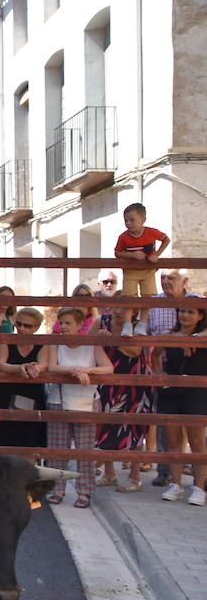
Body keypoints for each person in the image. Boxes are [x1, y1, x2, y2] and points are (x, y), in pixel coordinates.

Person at [45, 307, 114, 508]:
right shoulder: (56, 344)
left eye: (68, 323)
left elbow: (108, 368)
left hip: (87, 399)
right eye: (61, 322)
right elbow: (52, 367)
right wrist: (74, 371)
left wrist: (88, 370)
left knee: (85, 450)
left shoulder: (91, 345)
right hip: (59, 399)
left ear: (79, 325)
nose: (64, 327)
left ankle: (85, 491)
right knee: (58, 448)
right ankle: (57, 489)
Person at [146, 269, 200, 486]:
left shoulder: (199, 302)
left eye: (171, 278)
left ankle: (199, 481)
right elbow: (149, 339)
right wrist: (158, 374)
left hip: (197, 376)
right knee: (167, 430)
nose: (166, 282)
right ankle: (165, 472)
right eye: (162, 278)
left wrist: (192, 338)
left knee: (196, 432)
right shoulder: (153, 304)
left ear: (185, 281)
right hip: (169, 371)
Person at [96, 302, 156, 492]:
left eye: (127, 307)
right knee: (106, 424)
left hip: (135, 382)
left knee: (135, 428)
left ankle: (135, 476)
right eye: (119, 306)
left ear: (134, 310)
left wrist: (112, 339)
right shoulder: (101, 321)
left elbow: (135, 350)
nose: (121, 310)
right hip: (108, 381)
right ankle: (109, 472)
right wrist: (99, 337)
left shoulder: (139, 325)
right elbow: (86, 342)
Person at [156, 305, 207, 505]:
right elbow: (155, 354)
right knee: (172, 439)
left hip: (197, 392)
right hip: (172, 391)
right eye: (182, 311)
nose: (185, 314)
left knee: (196, 440)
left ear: (200, 316)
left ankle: (199, 487)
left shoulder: (203, 336)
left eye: (190, 311)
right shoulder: (170, 335)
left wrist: (192, 339)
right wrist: (159, 374)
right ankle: (176, 484)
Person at [0, 307, 48, 451]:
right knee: (5, 439)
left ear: (36, 328)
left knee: (30, 439)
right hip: (8, 393)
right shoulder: (7, 341)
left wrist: (35, 368)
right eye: (19, 324)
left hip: (32, 393)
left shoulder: (42, 344)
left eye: (28, 326)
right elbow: (1, 364)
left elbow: (44, 363)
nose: (22, 328)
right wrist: (20, 368)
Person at [114, 202, 170, 336]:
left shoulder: (151, 232)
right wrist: (131, 255)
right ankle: (127, 325)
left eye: (132, 220)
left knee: (147, 297)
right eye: (126, 220)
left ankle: (142, 324)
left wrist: (156, 255)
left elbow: (166, 240)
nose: (128, 223)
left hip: (148, 271)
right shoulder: (123, 237)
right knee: (129, 297)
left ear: (143, 220)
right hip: (130, 272)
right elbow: (117, 252)